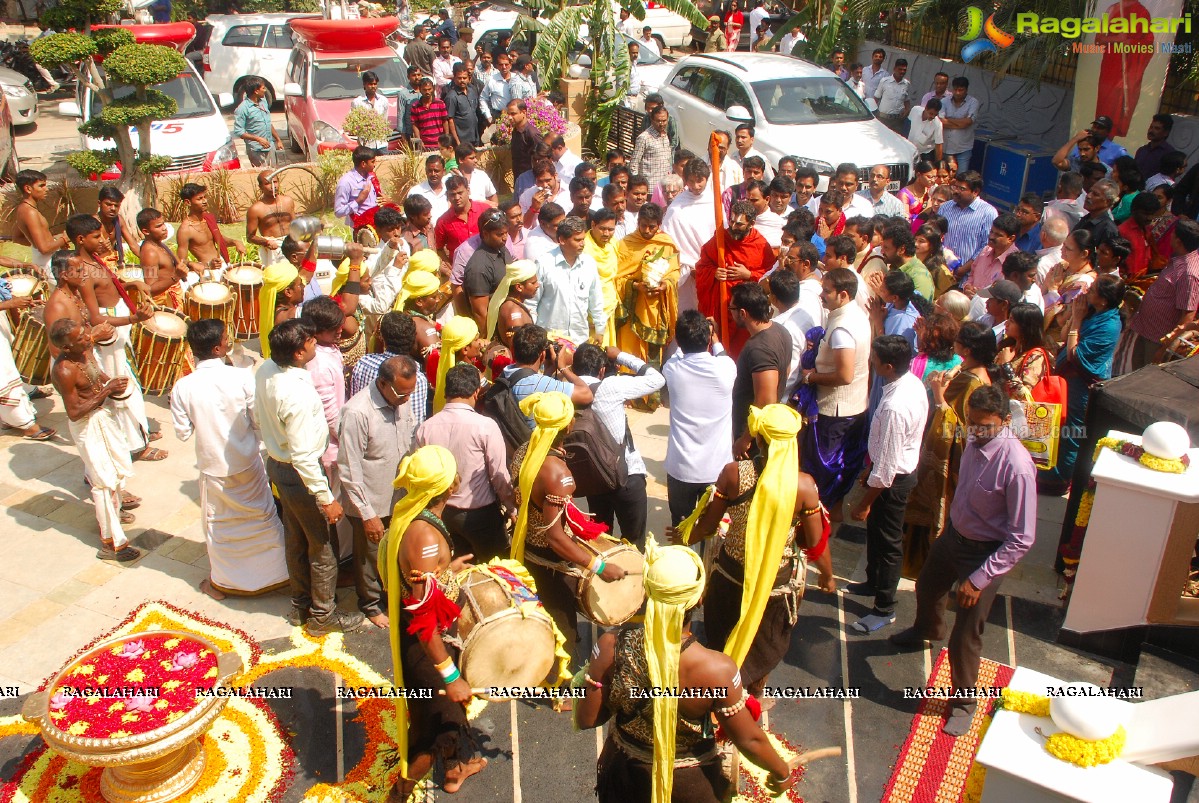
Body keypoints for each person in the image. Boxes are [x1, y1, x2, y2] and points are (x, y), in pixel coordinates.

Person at [892, 385, 1036, 738]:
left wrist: (978, 579)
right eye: (971, 423)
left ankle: (963, 703)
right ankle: (927, 629)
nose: (976, 432)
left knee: (967, 635)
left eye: (985, 426)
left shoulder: (1017, 467)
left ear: (1004, 421)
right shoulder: (974, 441)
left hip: (984, 555)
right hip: (953, 537)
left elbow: (1022, 538)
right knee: (927, 587)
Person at [678, 404, 831, 695]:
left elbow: (709, 527)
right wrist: (828, 576)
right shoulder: (804, 487)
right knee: (763, 649)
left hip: (730, 578)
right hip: (774, 586)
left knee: (721, 642)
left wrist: (684, 537)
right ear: (792, 442)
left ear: (759, 439)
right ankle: (753, 697)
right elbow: (814, 543)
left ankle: (716, 697)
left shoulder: (734, 474)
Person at [378, 445, 489, 800]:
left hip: (429, 644)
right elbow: (424, 621)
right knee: (429, 733)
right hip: (427, 651)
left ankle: (455, 771)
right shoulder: (425, 535)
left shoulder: (411, 515)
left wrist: (447, 573)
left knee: (445, 720)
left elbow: (421, 583)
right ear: (450, 485)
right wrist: (451, 676)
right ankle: (399, 792)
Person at [257, 319, 365, 636]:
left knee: (295, 537)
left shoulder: (266, 370)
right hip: (299, 472)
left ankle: (301, 602)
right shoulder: (295, 395)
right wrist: (326, 497)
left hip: (280, 465)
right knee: (322, 546)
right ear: (298, 351)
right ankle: (322, 615)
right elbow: (304, 456)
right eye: (310, 341)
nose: (315, 343)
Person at [170, 318, 287, 598]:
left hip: (213, 467)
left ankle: (224, 583)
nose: (228, 342)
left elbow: (183, 432)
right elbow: (258, 421)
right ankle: (278, 575)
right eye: (225, 338)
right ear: (217, 348)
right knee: (262, 517)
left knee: (219, 526)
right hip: (247, 461)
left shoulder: (182, 388)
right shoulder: (242, 377)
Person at [510, 392, 626, 656]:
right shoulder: (558, 474)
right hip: (551, 563)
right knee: (562, 634)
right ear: (568, 426)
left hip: (527, 551)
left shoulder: (522, 450)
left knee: (540, 624)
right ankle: (558, 693)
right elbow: (555, 538)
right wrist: (600, 566)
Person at [846, 335, 928, 634]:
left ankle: (885, 608)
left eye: (876, 359)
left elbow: (887, 469)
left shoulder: (895, 406)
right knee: (877, 538)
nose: (872, 362)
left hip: (893, 482)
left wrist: (864, 503)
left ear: (889, 366)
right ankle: (873, 582)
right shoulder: (911, 383)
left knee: (888, 542)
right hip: (889, 472)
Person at [900, 320, 994, 579]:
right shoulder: (973, 373)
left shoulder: (972, 381)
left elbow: (959, 426)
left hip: (951, 458)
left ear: (966, 348)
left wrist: (938, 395)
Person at [67, 216, 165, 460]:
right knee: (122, 386)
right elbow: (95, 317)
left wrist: (132, 284)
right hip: (110, 330)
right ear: (81, 240)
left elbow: (111, 285)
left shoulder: (95, 261)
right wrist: (132, 320)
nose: (104, 240)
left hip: (118, 321)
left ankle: (137, 429)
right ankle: (135, 446)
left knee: (130, 377)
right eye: (96, 237)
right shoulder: (81, 271)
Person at [49, 318, 143, 562]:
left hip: (100, 417)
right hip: (86, 425)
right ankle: (112, 544)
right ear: (66, 348)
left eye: (84, 334)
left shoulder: (84, 348)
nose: (86, 338)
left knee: (115, 471)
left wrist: (111, 383)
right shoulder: (64, 370)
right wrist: (106, 391)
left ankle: (115, 511)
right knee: (102, 483)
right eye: (80, 338)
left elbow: (96, 375)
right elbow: (74, 412)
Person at [338, 354, 418, 629]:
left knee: (394, 552)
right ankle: (370, 604)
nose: (407, 399)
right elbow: (349, 468)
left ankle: (393, 594)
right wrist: (367, 514)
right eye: (401, 393)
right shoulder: (358, 412)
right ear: (382, 384)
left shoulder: (402, 399)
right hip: (370, 502)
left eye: (411, 392)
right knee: (369, 557)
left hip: (399, 497)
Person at [416, 362, 515, 561]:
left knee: (457, 569)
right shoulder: (485, 426)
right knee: (497, 570)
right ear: (476, 392)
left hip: (442, 513)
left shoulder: (426, 428)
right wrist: (511, 506)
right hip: (480, 514)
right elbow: (498, 474)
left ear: (446, 392)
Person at [571, 343, 664, 548]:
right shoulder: (611, 385)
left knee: (601, 542)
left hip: (594, 478)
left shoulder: (564, 389)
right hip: (627, 476)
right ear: (602, 370)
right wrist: (621, 355)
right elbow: (657, 379)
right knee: (634, 544)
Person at [1042, 274, 1124, 498]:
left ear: (1104, 300)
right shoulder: (1093, 312)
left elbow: (1074, 354)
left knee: (1070, 432)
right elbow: (1063, 333)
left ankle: (1060, 480)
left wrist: (1077, 321)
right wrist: (1074, 315)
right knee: (1058, 425)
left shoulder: (1108, 325)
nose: (1087, 292)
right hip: (1068, 381)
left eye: (1094, 289)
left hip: (1081, 385)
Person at [800, 268, 871, 519]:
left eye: (827, 291)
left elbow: (844, 375)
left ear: (843, 294)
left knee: (824, 470)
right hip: (854, 406)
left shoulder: (842, 328)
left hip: (836, 411)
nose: (821, 295)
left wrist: (811, 377)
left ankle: (818, 523)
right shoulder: (855, 314)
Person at [660, 311, 736, 525]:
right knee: (712, 529)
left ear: (678, 340)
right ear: (708, 339)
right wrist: (716, 339)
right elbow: (722, 355)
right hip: (717, 471)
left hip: (680, 469)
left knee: (681, 528)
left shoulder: (672, 369)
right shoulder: (726, 368)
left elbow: (674, 354)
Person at [1114, 218, 1199, 373]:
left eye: (1173, 234)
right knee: (1135, 375)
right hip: (1147, 331)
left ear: (1178, 241)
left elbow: (1187, 316)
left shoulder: (1189, 273)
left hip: (1158, 341)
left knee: (1145, 379)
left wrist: (1165, 348)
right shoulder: (1178, 261)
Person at [695, 201, 776, 359]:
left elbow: (770, 276)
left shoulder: (760, 245)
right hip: (722, 308)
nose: (733, 227)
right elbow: (702, 266)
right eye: (731, 221)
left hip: (745, 311)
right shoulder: (720, 238)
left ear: (751, 223)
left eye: (739, 224)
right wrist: (714, 272)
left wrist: (749, 275)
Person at [728, 282, 791, 457]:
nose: (730, 314)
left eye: (731, 309)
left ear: (742, 313)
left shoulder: (759, 349)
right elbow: (786, 370)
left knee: (748, 483)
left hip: (754, 443)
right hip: (759, 433)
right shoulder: (780, 330)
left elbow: (765, 400)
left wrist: (745, 440)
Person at [529, 217, 606, 345]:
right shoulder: (544, 263)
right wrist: (534, 335)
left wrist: (600, 330)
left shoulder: (589, 264)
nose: (582, 244)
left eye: (583, 239)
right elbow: (532, 302)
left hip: (580, 339)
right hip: (550, 340)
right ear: (562, 240)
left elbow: (596, 300)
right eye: (577, 240)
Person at [662, 158, 715, 313]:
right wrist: (690, 267)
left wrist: (707, 267)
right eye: (691, 181)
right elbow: (668, 242)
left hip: (710, 271)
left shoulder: (714, 203)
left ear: (707, 178)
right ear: (685, 181)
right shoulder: (676, 207)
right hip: (685, 273)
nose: (696, 186)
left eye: (700, 181)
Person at [1042, 230, 1098, 349]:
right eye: (1063, 245)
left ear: (1084, 253)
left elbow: (1061, 321)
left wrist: (1052, 291)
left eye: (1068, 248)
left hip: (1054, 341)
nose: (1062, 250)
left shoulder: (1084, 283)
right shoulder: (1062, 267)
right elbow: (1042, 290)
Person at [175, 183, 245, 279]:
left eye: (205, 197)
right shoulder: (185, 230)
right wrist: (207, 265)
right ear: (188, 202)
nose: (204, 201)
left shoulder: (208, 218)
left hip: (223, 266)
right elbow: (181, 262)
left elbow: (219, 239)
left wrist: (235, 242)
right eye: (199, 199)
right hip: (208, 273)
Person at [765, 269, 814, 401]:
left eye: (770, 294)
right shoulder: (806, 313)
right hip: (798, 389)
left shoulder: (777, 327)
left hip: (783, 398)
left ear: (774, 298)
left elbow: (788, 372)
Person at [14, 170, 71, 280]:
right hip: (49, 264)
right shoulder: (30, 212)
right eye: (41, 186)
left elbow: (17, 238)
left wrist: (52, 242)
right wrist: (64, 239)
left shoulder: (22, 208)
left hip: (43, 260)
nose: (46, 189)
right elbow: (44, 248)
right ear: (28, 189)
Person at [941, 171, 998, 265]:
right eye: (955, 187)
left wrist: (964, 269)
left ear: (975, 192)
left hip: (970, 274)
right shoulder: (945, 207)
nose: (955, 191)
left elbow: (986, 246)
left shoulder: (988, 213)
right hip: (943, 269)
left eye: (961, 189)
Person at [996, 302, 1050, 402]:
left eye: (1011, 321)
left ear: (1025, 327)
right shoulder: (1008, 348)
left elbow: (1025, 396)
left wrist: (1006, 365)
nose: (1006, 323)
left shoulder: (1036, 356)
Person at [435, 175, 492, 266]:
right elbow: (439, 248)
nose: (457, 198)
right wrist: (449, 266)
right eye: (452, 194)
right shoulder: (443, 221)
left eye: (460, 193)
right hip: (462, 272)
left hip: (489, 265)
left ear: (468, 191)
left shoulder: (485, 210)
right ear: (447, 195)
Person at [1119, 191, 1176, 278]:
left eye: (1152, 214)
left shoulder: (1147, 230)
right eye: (1145, 214)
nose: (1149, 218)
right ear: (1133, 210)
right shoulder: (1123, 231)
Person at [246, 171, 297, 267]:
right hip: (273, 250)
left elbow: (296, 225)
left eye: (275, 182)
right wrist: (267, 242)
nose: (273, 186)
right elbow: (250, 237)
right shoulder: (256, 209)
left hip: (292, 245)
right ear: (260, 187)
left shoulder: (288, 201)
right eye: (267, 183)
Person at [487, 259, 539, 353]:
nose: (537, 285)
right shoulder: (514, 312)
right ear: (519, 287)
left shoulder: (514, 305)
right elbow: (519, 351)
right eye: (533, 283)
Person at [961, 213, 1020, 293]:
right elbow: (971, 275)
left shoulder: (1015, 262)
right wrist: (967, 287)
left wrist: (981, 296)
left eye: (998, 235)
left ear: (1010, 238)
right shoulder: (985, 251)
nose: (991, 237)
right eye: (991, 232)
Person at [334, 146, 389, 230]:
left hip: (377, 224)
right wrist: (359, 200)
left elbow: (380, 198)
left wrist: (386, 200)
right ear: (363, 164)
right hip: (361, 229)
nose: (375, 165)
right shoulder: (346, 182)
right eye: (372, 162)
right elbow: (338, 212)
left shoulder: (371, 176)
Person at [232, 76, 282, 167]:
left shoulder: (263, 102)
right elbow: (239, 132)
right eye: (263, 88)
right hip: (256, 150)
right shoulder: (243, 109)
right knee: (263, 176)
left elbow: (268, 123)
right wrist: (258, 139)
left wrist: (278, 140)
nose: (265, 90)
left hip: (270, 146)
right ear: (256, 91)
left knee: (274, 174)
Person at [939, 77, 979, 171]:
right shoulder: (944, 101)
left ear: (966, 90)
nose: (957, 93)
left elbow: (968, 122)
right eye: (955, 90)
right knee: (945, 178)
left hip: (963, 148)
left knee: (961, 177)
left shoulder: (973, 102)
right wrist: (960, 122)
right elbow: (940, 121)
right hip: (945, 147)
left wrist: (948, 120)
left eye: (960, 90)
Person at [94, 186, 140, 267]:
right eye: (108, 204)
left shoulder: (119, 220)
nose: (113, 208)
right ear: (99, 203)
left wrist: (149, 259)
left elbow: (133, 245)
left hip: (113, 266)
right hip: (94, 268)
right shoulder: (91, 223)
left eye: (116, 205)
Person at [630, 106, 674, 189]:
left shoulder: (666, 135)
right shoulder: (644, 138)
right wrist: (638, 186)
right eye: (658, 121)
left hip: (664, 188)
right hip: (650, 188)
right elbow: (634, 164)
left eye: (664, 121)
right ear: (652, 120)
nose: (661, 124)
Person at [350, 71, 392, 153]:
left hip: (381, 143)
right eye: (370, 84)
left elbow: (384, 121)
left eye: (375, 84)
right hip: (366, 144)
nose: (373, 86)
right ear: (364, 84)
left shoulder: (383, 100)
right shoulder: (357, 102)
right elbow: (355, 125)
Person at [409, 77, 449, 150]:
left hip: (440, 144)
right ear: (420, 90)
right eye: (424, 90)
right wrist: (419, 140)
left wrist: (446, 138)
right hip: (425, 145)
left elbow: (445, 121)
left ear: (433, 88)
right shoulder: (415, 106)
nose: (427, 92)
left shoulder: (440, 103)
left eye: (429, 89)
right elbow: (415, 125)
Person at [408, 154, 450, 222]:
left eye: (436, 171)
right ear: (426, 171)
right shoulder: (415, 192)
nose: (433, 174)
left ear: (444, 171)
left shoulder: (450, 190)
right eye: (430, 171)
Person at [1135, 113, 1178, 179]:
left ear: (1166, 133)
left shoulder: (1169, 154)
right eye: (1151, 127)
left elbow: (1168, 179)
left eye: (1157, 128)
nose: (1151, 131)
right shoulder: (1142, 150)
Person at [507, 100, 542, 181]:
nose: (509, 117)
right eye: (508, 114)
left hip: (531, 180)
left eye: (513, 114)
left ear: (523, 112)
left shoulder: (532, 134)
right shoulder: (515, 131)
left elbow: (542, 158)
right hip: (519, 179)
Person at [873, 58, 911, 133]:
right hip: (883, 119)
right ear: (894, 68)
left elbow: (907, 100)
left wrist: (907, 111)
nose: (902, 72)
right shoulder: (884, 81)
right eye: (900, 69)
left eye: (904, 70)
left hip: (897, 121)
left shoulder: (906, 84)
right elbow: (875, 99)